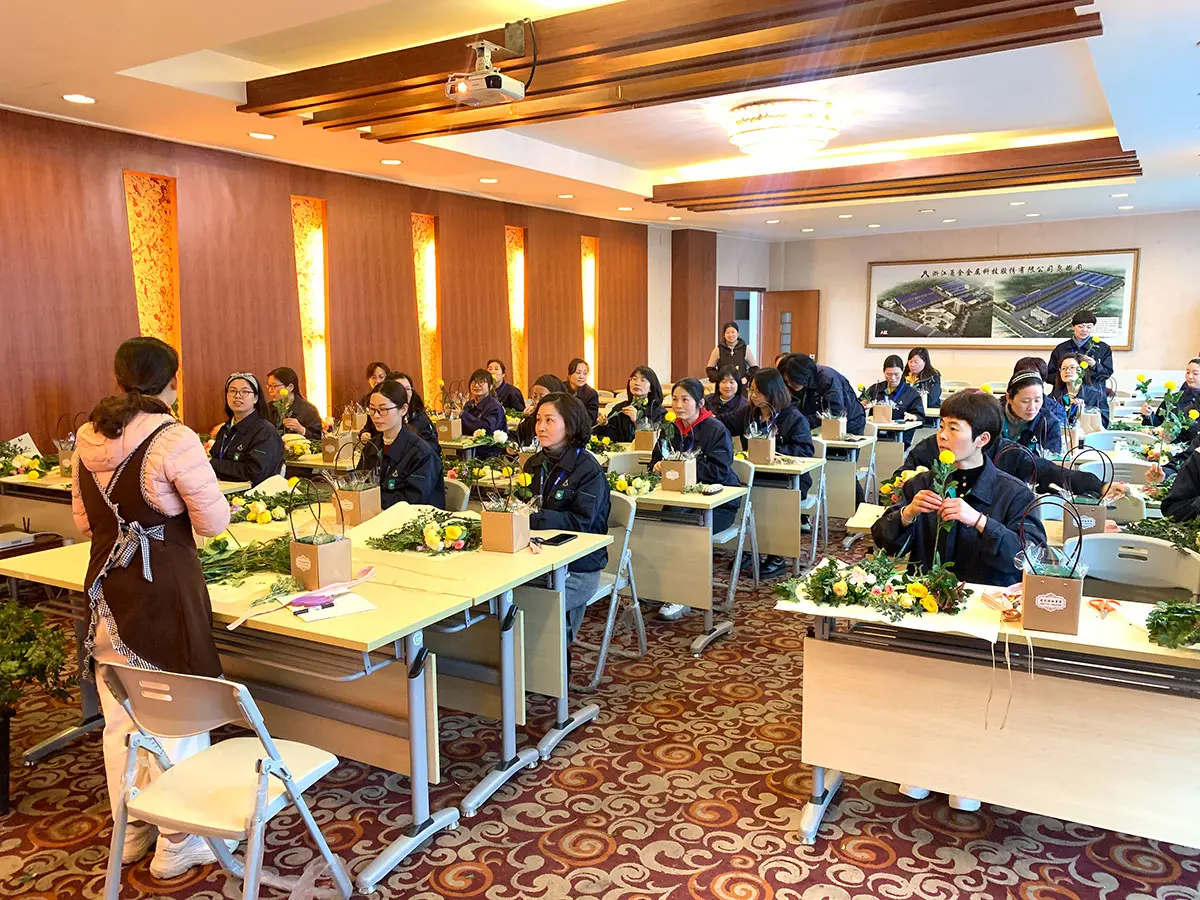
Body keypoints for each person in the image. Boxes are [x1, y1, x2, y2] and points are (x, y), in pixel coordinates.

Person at [72, 337, 235, 879]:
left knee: (120, 720)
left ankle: (132, 828)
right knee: (178, 717)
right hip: (163, 590)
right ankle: (179, 841)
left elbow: (84, 522)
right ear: (173, 382)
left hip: (106, 591)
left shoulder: (87, 438)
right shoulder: (173, 437)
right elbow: (213, 522)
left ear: (119, 380)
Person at [872, 389, 1045, 587]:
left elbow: (1030, 559)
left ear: (983, 439)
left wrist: (980, 522)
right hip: (926, 597)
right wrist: (907, 514)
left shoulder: (1014, 493)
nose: (942, 436)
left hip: (988, 601)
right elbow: (885, 543)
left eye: (953, 429)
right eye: (942, 426)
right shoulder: (921, 484)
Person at [651, 377, 743, 620]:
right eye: (674, 399)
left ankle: (683, 595)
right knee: (656, 526)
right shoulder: (669, 428)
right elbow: (655, 460)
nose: (678, 405)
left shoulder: (715, 429)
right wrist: (658, 466)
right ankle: (660, 585)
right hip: (678, 500)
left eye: (685, 399)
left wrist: (684, 468)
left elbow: (720, 470)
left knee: (683, 531)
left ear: (700, 403)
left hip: (718, 505)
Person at [523, 392, 611, 643]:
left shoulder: (588, 470)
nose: (540, 427)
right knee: (504, 599)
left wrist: (535, 517)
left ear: (570, 425)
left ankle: (554, 661)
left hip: (578, 567)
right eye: (538, 420)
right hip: (535, 560)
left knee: (529, 608)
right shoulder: (534, 464)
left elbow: (581, 523)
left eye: (549, 420)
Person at [723, 367, 815, 576]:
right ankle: (749, 548)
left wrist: (771, 451)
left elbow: (805, 450)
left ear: (772, 392)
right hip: (755, 477)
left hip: (787, 480)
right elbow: (723, 425)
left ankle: (777, 555)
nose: (753, 396)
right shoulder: (749, 413)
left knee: (776, 500)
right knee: (738, 492)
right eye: (751, 391)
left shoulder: (793, 417)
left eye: (758, 391)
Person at [362, 379, 445, 509]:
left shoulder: (421, 453)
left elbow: (413, 501)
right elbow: (359, 483)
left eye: (383, 409)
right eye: (372, 409)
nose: (376, 416)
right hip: (374, 514)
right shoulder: (371, 447)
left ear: (403, 409)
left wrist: (370, 499)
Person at [209, 373, 285, 486]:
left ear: (256, 398)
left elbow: (253, 473)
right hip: (221, 489)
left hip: (253, 494)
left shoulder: (264, 431)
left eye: (245, 391)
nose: (237, 396)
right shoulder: (225, 428)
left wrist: (211, 464)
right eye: (232, 391)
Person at [778, 352, 865, 434]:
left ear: (801, 374)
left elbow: (835, 411)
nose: (789, 384)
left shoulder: (827, 378)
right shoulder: (797, 385)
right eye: (786, 381)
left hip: (849, 422)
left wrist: (802, 421)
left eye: (791, 380)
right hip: (821, 423)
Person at [863, 354, 925, 446]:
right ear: (884, 372)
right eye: (889, 374)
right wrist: (864, 405)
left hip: (899, 438)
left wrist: (914, 417)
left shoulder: (911, 393)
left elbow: (920, 416)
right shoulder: (875, 389)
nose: (892, 378)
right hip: (875, 436)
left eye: (896, 374)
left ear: (902, 371)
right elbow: (859, 404)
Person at [1048, 310, 1114, 395]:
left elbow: (1107, 374)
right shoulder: (1061, 349)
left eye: (1089, 327)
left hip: (1093, 396)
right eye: (1080, 326)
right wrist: (1066, 376)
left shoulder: (1103, 348)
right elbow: (1049, 375)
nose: (1084, 330)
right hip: (1064, 396)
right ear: (1073, 326)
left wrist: (1095, 365)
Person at [595, 366, 664, 443]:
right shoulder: (620, 408)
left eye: (643, 380)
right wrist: (605, 425)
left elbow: (658, 440)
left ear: (651, 387)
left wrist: (637, 421)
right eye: (634, 379)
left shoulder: (658, 411)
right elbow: (612, 438)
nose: (637, 383)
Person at [999, 370, 1062, 454]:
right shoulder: (992, 416)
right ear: (1009, 398)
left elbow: (1053, 458)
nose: (1032, 407)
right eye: (1025, 401)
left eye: (1037, 400)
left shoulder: (1049, 422)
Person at [1142, 359, 1200, 445]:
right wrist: (1148, 415)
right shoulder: (1173, 399)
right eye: (1188, 372)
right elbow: (1158, 425)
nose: (1190, 376)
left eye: (1195, 373)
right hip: (1170, 447)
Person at [1048, 353, 1110, 429]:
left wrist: (1084, 411)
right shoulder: (1054, 396)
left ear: (1081, 370)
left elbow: (1104, 422)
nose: (1067, 371)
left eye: (1072, 367)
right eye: (1063, 368)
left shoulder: (1096, 395)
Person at [265, 366, 323, 439]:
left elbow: (319, 438)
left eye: (274, 386)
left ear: (290, 387)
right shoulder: (268, 408)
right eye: (269, 386)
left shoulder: (309, 410)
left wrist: (302, 430)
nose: (270, 390)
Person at [461, 367, 507, 449]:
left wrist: (462, 415)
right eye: (473, 382)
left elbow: (486, 428)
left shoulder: (495, 406)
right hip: (467, 447)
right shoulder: (469, 404)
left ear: (490, 386)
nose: (476, 385)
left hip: (488, 451)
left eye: (481, 382)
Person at [516, 374, 566, 446]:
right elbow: (518, 436)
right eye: (534, 396)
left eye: (542, 397)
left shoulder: (562, 420)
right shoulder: (531, 418)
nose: (537, 402)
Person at [905, 348, 942, 417]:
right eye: (910, 362)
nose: (912, 365)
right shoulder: (904, 375)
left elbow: (932, 399)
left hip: (928, 414)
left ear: (925, 361)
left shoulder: (933, 376)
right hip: (908, 412)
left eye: (916, 362)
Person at [566, 358, 600, 426]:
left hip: (582, 428)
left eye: (585, 373)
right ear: (569, 375)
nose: (582, 377)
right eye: (578, 373)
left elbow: (591, 419)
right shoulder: (560, 388)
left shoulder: (591, 394)